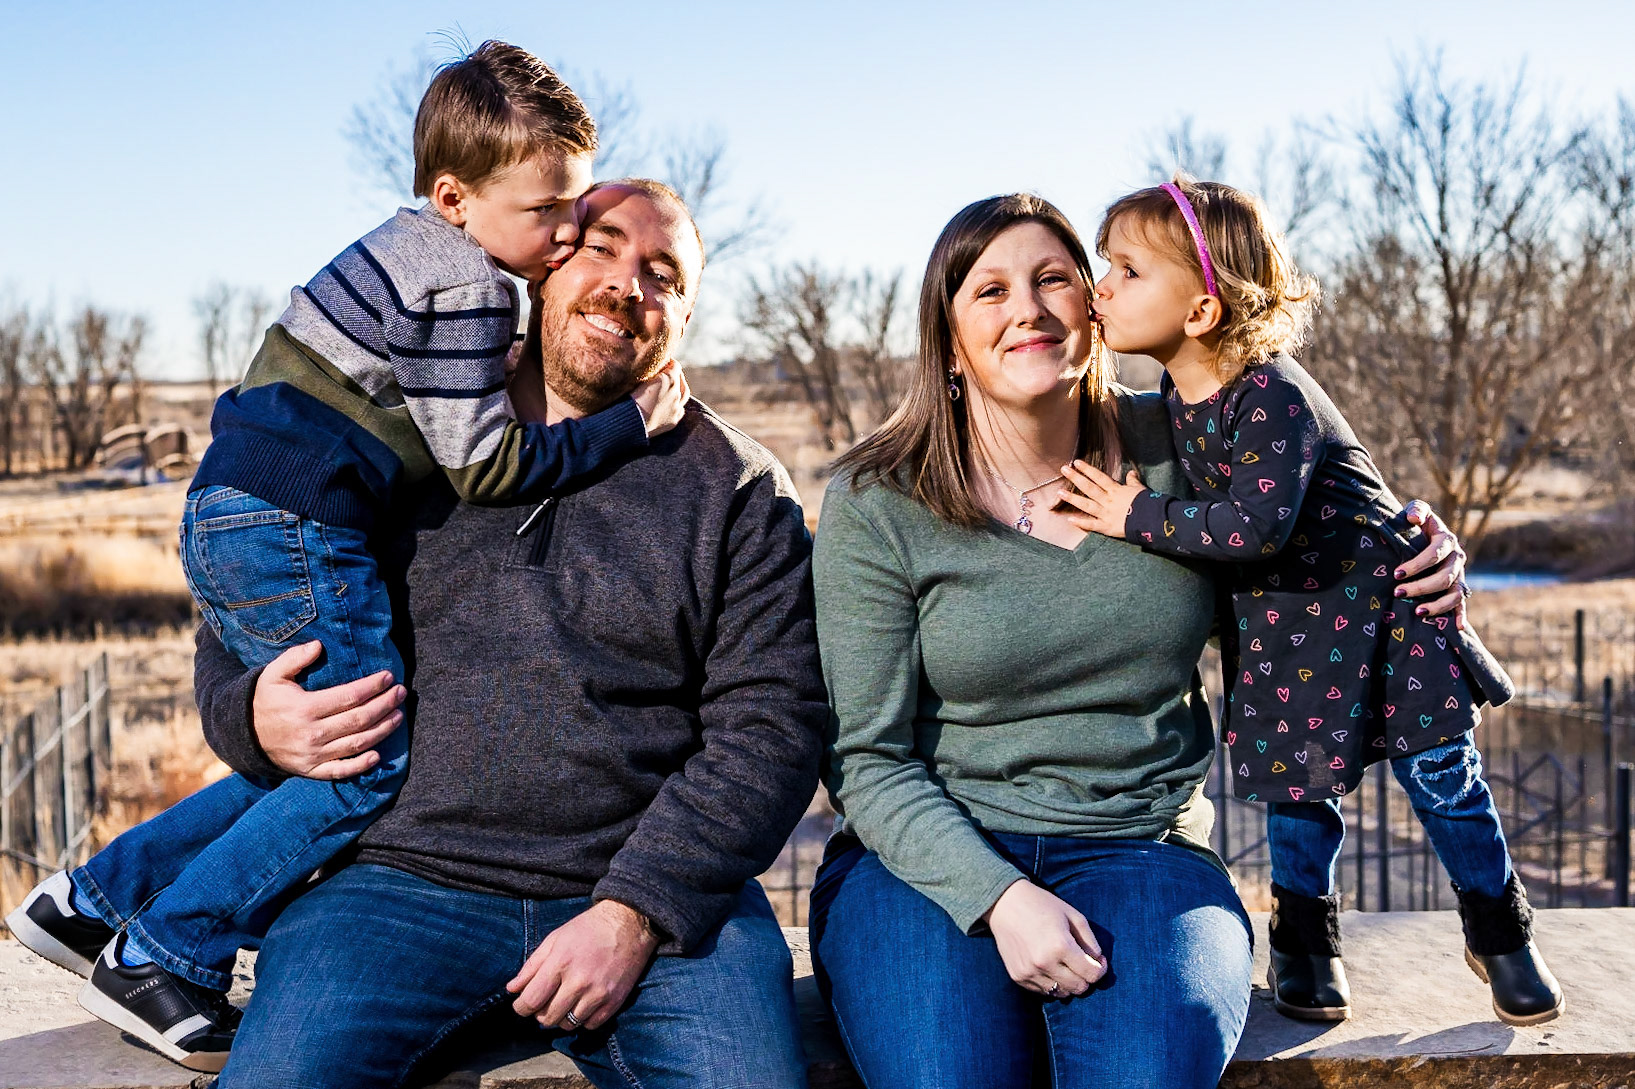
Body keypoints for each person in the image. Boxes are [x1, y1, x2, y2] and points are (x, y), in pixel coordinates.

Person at [45, 181, 825, 1089]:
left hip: (654, 906)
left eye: (663, 274)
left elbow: (770, 727)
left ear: (685, 313)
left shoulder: (735, 487)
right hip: (396, 882)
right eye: (602, 248)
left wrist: (636, 911)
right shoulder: (399, 432)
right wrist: (249, 715)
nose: (627, 285)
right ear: (545, 262)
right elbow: (254, 597)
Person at [5, 43, 691, 1072]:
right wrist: (622, 431)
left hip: (234, 505)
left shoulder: (399, 249)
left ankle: (89, 900)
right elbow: (489, 466)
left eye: (572, 208)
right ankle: (166, 950)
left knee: (331, 745)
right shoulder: (469, 291)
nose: (560, 237)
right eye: (546, 213)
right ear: (455, 196)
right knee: (363, 768)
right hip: (301, 522)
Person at [808, 193, 1474, 1088]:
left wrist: (1421, 551)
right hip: (927, 859)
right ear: (949, 337)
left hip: (1141, 846)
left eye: (1053, 278)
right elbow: (865, 757)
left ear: (1091, 300)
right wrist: (1001, 897)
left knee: (1145, 1070)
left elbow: (1328, 521)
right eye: (989, 292)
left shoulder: (1190, 439)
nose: (1029, 309)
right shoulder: (879, 496)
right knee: (950, 1073)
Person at [1057, 176, 1562, 1027]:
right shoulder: (1171, 404)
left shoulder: (1271, 395)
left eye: (1126, 270)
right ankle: (1304, 937)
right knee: (1298, 794)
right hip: (1289, 631)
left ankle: (1498, 930)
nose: (1100, 286)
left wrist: (1131, 513)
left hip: (1387, 611)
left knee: (1442, 776)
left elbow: (1254, 524)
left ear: (1201, 311)